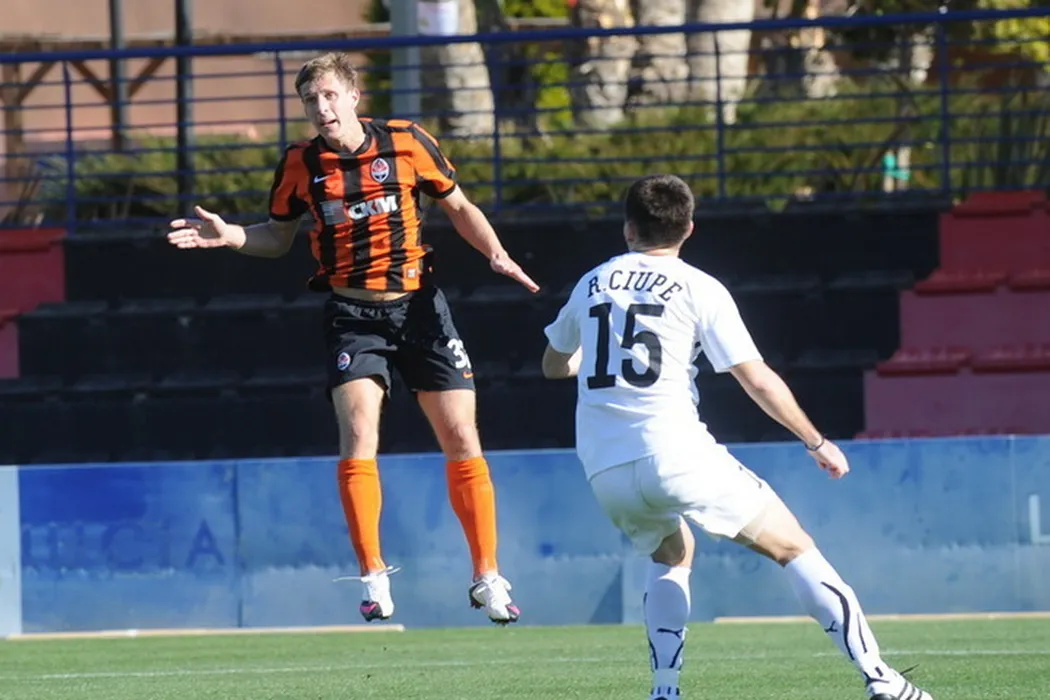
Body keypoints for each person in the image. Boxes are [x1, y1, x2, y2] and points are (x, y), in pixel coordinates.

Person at [167, 52, 534, 625]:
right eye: (310, 100)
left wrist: (496, 252)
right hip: (353, 315)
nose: (321, 108)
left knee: (462, 435)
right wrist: (232, 235)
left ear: (354, 97)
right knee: (359, 432)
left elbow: (458, 205)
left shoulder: (407, 141)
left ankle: (487, 574)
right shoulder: (300, 163)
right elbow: (277, 238)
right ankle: (373, 576)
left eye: (330, 96)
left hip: (420, 306)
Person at [540, 174, 933, 700]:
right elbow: (756, 379)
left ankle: (664, 691)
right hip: (674, 452)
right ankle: (881, 679)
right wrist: (816, 442)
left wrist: (590, 362)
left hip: (605, 467)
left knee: (672, 554)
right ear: (689, 228)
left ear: (628, 228)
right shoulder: (699, 287)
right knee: (794, 547)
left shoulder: (591, 282)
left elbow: (553, 365)